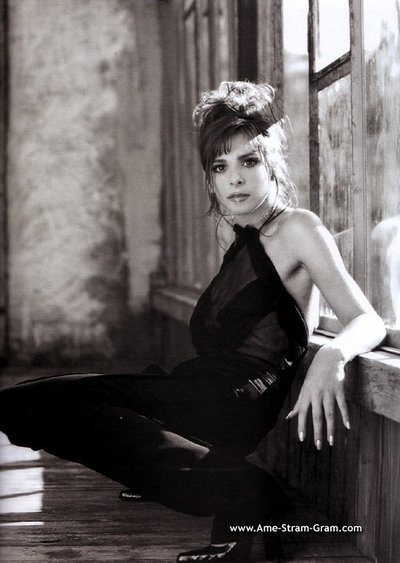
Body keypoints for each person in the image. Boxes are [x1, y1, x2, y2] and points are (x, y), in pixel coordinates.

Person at [0, 81, 385, 562]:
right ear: (210, 178)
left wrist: (332, 354)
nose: (235, 179)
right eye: (220, 167)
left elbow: (366, 319)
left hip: (236, 400)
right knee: (29, 401)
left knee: (45, 402)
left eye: (248, 161)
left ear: (272, 164)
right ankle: (176, 472)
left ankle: (250, 495)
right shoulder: (236, 233)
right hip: (202, 388)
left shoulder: (298, 228)